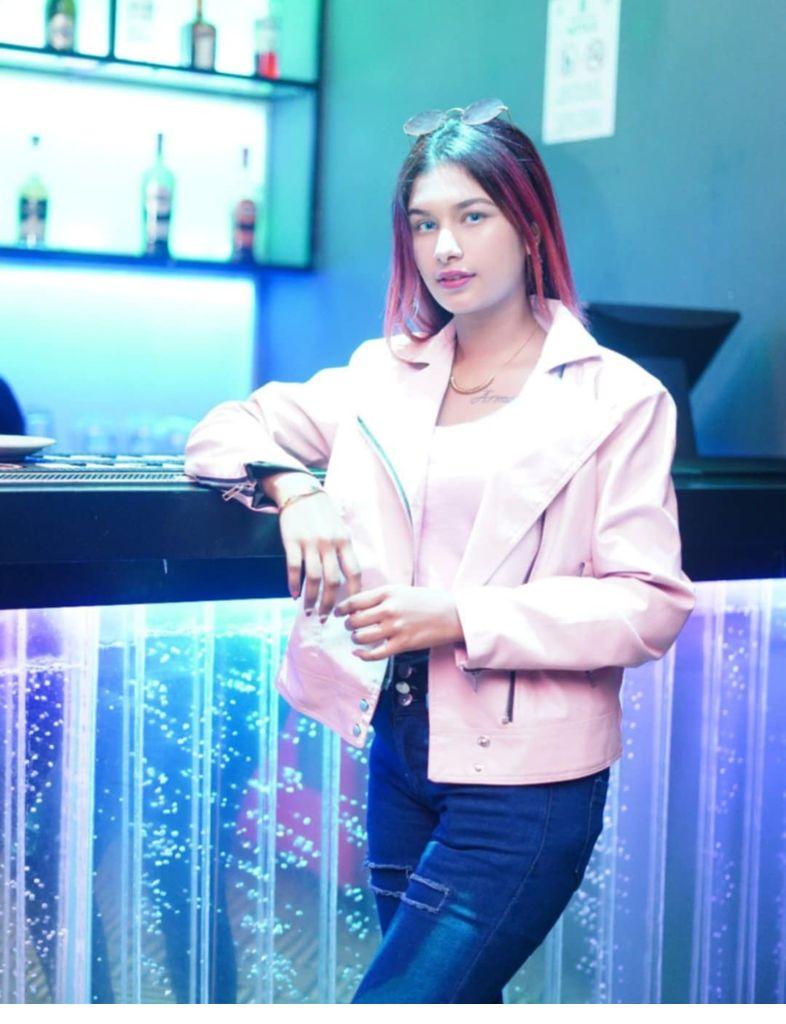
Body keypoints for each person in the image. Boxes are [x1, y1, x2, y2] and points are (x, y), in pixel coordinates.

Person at [184, 97, 696, 1003]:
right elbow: (225, 428)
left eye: (472, 216)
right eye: (424, 224)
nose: (445, 247)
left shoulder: (619, 398)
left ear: (529, 225)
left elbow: (648, 602)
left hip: (529, 780)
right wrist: (295, 487)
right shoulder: (383, 374)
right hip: (399, 748)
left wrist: (458, 615)